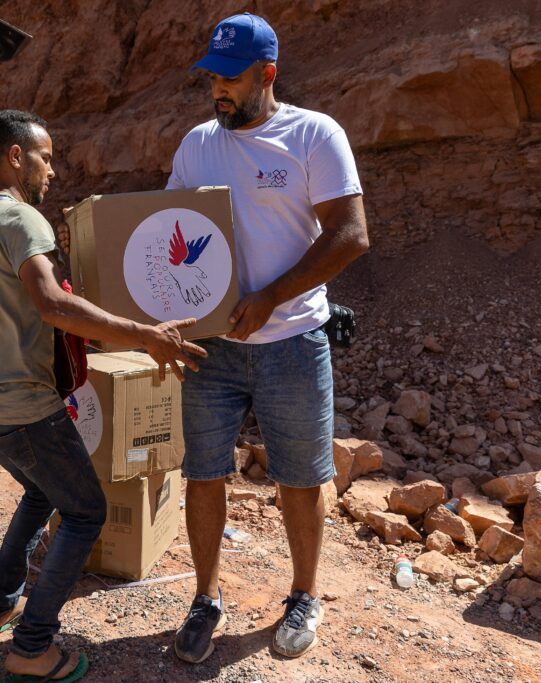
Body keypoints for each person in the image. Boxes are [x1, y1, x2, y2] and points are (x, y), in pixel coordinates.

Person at [0, 109, 206, 682]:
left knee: (40, 492)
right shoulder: (23, 218)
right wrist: (144, 334)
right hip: (25, 408)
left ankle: (0, 603)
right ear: (16, 156)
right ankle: (32, 646)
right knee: (86, 509)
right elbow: (51, 304)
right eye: (46, 155)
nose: (53, 168)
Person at [167, 13, 370, 663]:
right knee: (203, 473)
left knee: (301, 478)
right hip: (212, 345)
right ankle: (205, 595)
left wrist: (269, 299)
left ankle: (304, 594)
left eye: (230, 79)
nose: (217, 91)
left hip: (293, 338)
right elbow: (167, 231)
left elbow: (350, 235)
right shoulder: (197, 143)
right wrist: (167, 314)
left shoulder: (314, 135)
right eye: (211, 79)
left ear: (268, 74)